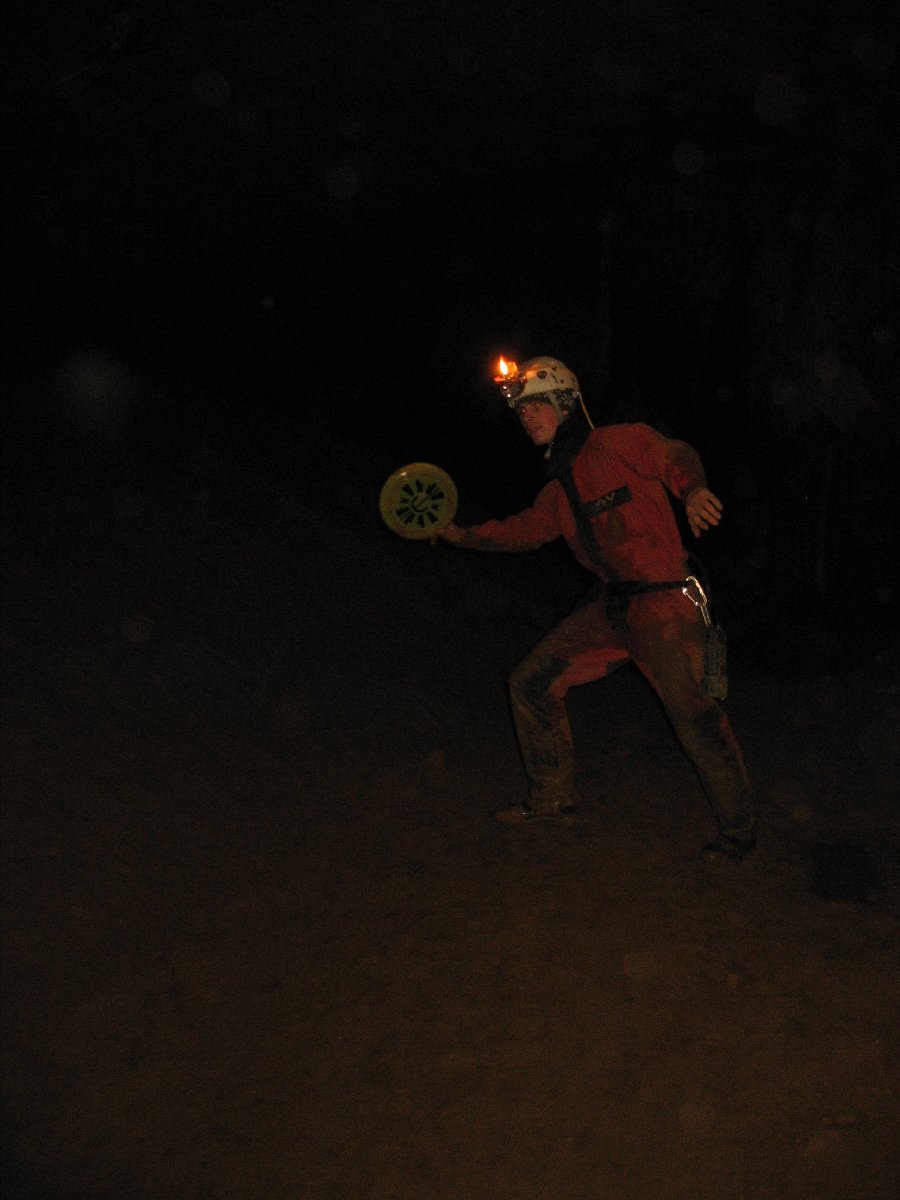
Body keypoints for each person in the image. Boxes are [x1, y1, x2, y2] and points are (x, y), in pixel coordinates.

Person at [438, 356, 755, 863]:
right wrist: (460, 535)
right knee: (530, 683)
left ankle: (739, 830)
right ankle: (552, 799)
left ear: (566, 404)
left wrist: (692, 488)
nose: (526, 416)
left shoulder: (615, 443)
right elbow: (521, 532)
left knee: (695, 719)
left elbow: (671, 453)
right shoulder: (558, 490)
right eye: (521, 410)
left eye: (536, 405)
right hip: (613, 606)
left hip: (665, 605)